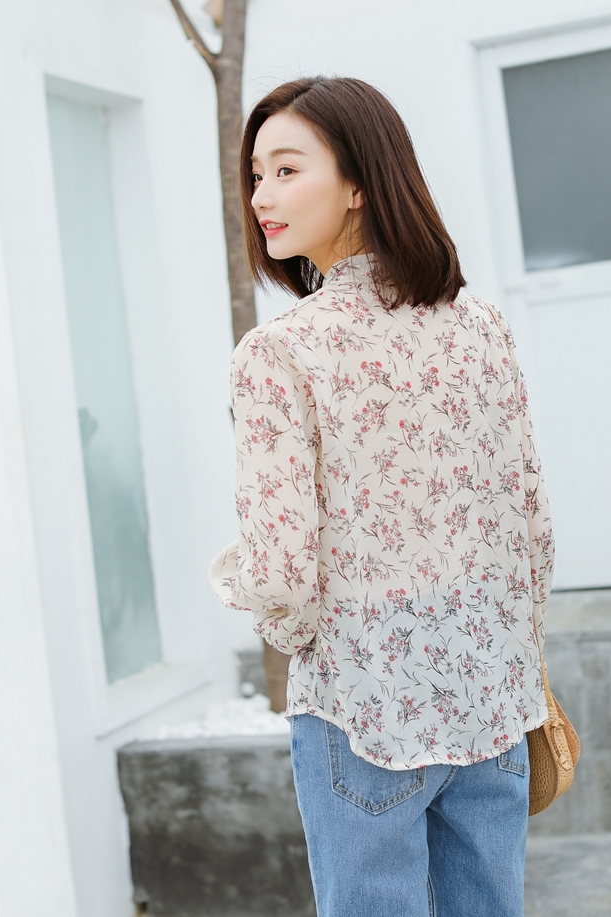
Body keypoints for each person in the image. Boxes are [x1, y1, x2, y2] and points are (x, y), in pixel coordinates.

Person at [209, 76, 554, 917]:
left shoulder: (278, 353)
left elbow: (283, 582)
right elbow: (532, 535)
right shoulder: (480, 328)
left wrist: (241, 585)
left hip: (362, 710)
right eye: (255, 175)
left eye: (287, 169)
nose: (262, 197)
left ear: (359, 182)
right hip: (489, 695)